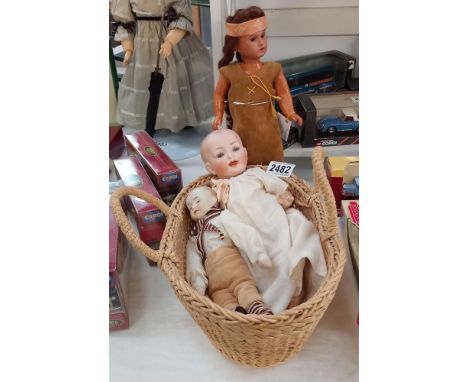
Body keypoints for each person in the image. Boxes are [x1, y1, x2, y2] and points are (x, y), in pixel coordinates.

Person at [200, 129, 327, 314]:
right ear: (211, 169)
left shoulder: (255, 174)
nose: (230, 155)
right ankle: (265, 300)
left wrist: (283, 195)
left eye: (235, 149)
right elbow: (216, 214)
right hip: (248, 234)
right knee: (255, 267)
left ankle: (293, 291)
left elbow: (276, 185)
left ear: (245, 153)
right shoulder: (219, 188)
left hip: (273, 221)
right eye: (220, 154)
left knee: (285, 253)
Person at [211, 6, 303, 165]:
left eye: (263, 35)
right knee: (243, 158)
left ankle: (274, 182)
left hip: (269, 129)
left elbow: (283, 94)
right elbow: (219, 94)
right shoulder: (229, 72)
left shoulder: (273, 69)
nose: (261, 42)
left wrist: (290, 112)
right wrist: (218, 114)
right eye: (253, 39)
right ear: (236, 46)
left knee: (272, 158)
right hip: (242, 130)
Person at [111, 0, 213, 134]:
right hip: (143, 40)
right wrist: (128, 49)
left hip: (171, 36)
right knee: (146, 82)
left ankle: (182, 118)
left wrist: (170, 42)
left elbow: (181, 13)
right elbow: (124, 20)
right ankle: (152, 120)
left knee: (175, 77)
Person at [185, 186, 273, 315]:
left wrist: (258, 253)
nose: (193, 206)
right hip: (214, 280)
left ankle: (257, 308)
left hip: (233, 266)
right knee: (220, 297)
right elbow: (193, 263)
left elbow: (242, 232)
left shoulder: (222, 217)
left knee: (244, 287)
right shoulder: (194, 239)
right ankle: (234, 314)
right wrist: (198, 285)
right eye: (189, 206)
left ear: (214, 199)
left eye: (197, 201)